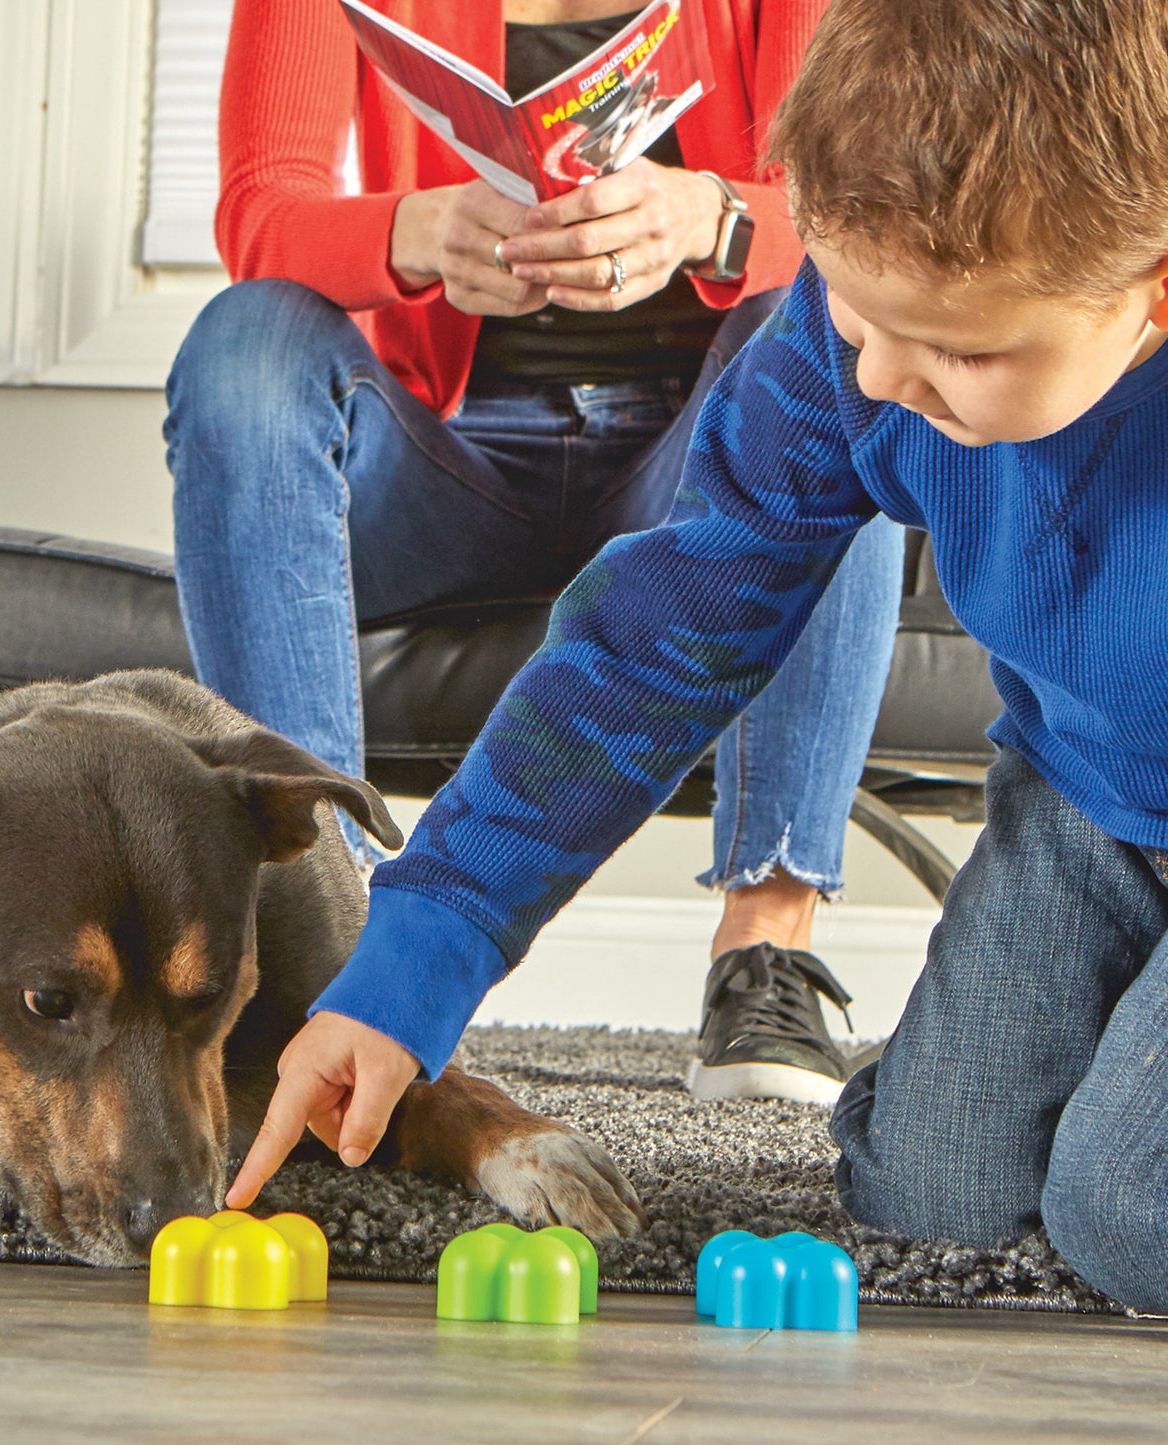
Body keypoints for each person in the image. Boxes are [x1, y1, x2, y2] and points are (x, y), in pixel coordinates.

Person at [226, 0, 1168, 1315]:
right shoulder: (845, 358)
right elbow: (642, 654)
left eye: (962, 349)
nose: (882, 379)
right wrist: (409, 966)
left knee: (1124, 1218)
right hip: (1085, 796)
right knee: (931, 1202)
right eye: (853, 312)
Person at [164, 0, 904, 1107]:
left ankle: (765, 949)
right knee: (243, 335)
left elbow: (871, 224)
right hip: (436, 464)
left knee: (835, 346)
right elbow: (259, 215)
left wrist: (712, 222)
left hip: (694, 466)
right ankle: (326, 921)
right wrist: (414, 233)